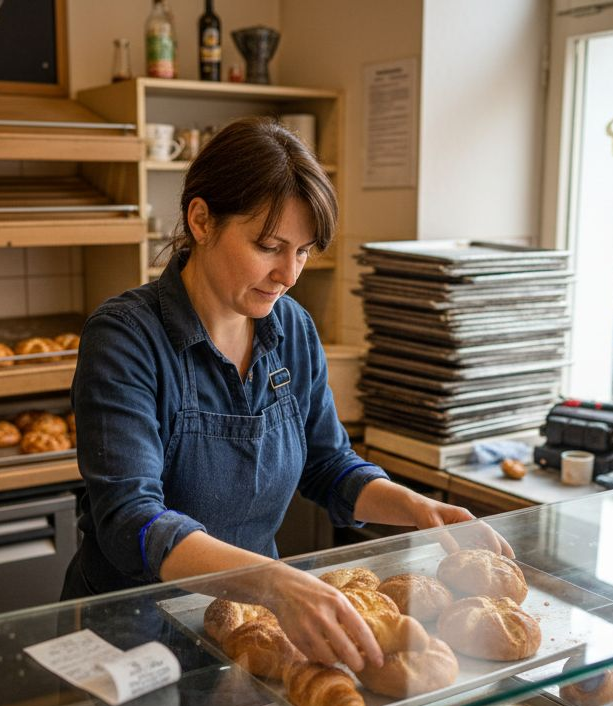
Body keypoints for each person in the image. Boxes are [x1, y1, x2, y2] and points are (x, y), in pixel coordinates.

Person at [63, 117, 510, 672]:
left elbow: (328, 465)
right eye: (269, 246)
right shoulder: (126, 337)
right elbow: (132, 521)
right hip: (132, 638)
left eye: (303, 251)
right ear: (201, 220)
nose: (289, 274)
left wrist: (418, 508)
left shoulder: (290, 328)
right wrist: (275, 581)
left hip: (250, 621)